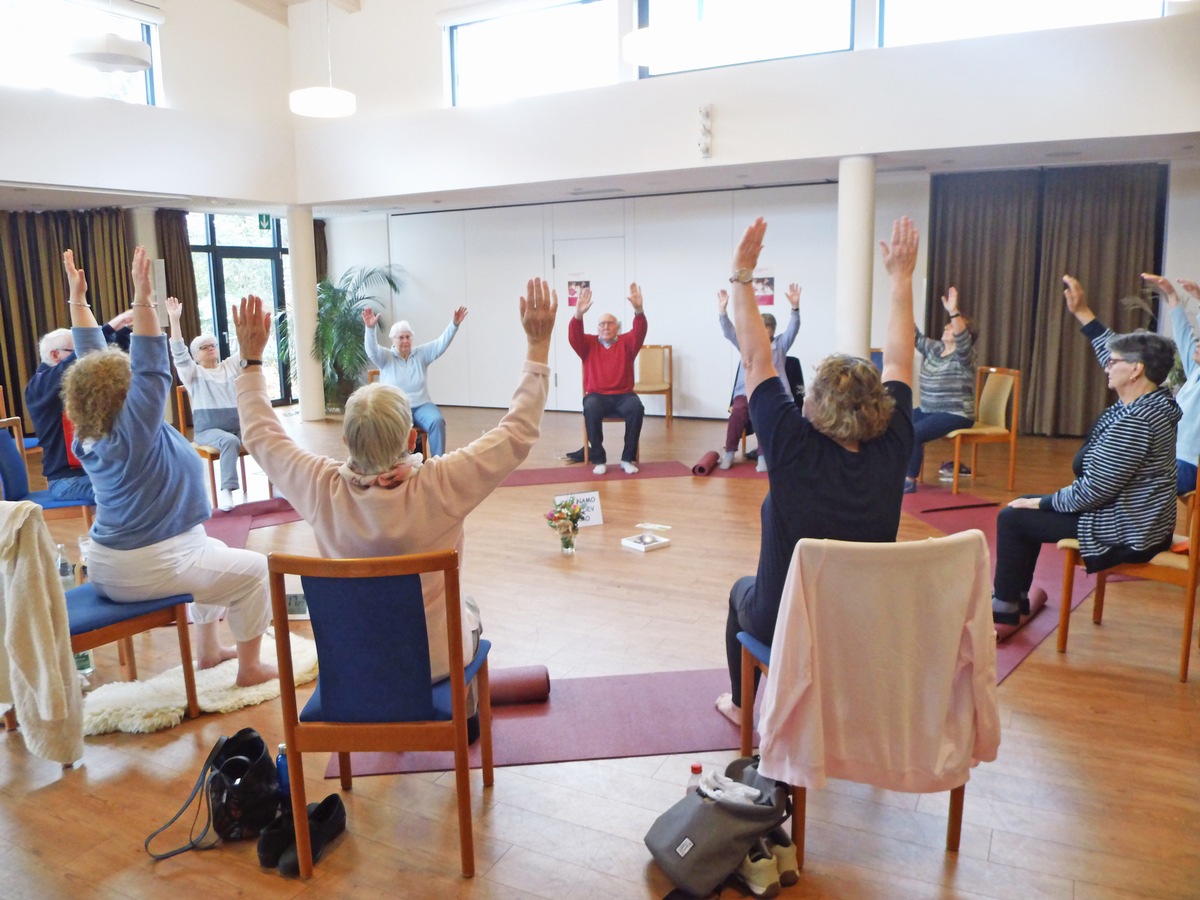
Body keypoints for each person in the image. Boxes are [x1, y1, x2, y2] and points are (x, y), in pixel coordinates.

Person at [234, 278, 556, 690]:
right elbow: (518, 433)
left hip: (354, 662)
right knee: (469, 608)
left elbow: (260, 436)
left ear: (345, 440)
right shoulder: (440, 484)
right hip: (435, 663)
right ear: (410, 438)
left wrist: (251, 362)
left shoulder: (320, 488)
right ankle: (464, 719)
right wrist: (538, 346)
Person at [716, 217, 917, 725]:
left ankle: (743, 709)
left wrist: (742, 274)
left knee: (741, 594)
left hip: (787, 625)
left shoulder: (791, 450)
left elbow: (755, 356)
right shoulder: (893, 444)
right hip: (863, 624)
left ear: (817, 407)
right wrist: (900, 280)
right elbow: (898, 359)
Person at [61, 247, 275, 687]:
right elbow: (152, 366)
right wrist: (143, 300)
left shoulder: (94, 431)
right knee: (253, 572)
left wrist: (78, 301)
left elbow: (90, 361)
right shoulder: (135, 431)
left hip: (112, 561)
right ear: (126, 394)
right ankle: (250, 669)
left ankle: (210, 651)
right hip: (149, 564)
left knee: (213, 552)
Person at [991, 275, 1180, 625]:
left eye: (1115, 362)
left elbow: (1094, 492)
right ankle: (1013, 596)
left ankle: (1003, 607)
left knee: (1014, 516)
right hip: (1140, 518)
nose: (1107, 365)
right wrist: (1082, 312)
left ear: (1136, 370)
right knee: (1026, 509)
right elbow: (1111, 349)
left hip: (1131, 529)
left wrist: (1040, 502)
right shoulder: (1153, 397)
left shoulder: (1136, 421)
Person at [24, 298, 132, 504]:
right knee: (127, 491)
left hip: (94, 469)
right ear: (55, 355)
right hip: (67, 480)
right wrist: (110, 326)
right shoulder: (39, 387)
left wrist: (124, 332)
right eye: (75, 352)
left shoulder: (74, 380)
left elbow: (105, 355)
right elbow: (85, 354)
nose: (83, 358)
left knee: (144, 480)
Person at [166, 297, 245, 511]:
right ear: (196, 355)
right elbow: (178, 353)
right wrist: (174, 320)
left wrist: (242, 328)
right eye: (204, 347)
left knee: (262, 437)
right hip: (208, 430)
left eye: (212, 345)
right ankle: (227, 490)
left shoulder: (229, 366)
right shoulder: (192, 373)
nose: (210, 348)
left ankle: (280, 484)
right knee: (229, 441)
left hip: (238, 427)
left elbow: (247, 351)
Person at [362, 306, 468, 458]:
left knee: (437, 422)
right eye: (401, 337)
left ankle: (438, 463)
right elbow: (371, 350)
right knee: (395, 427)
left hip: (422, 405)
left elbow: (440, 344)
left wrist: (454, 325)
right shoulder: (385, 357)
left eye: (408, 337)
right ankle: (398, 463)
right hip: (396, 407)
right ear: (393, 339)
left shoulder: (421, 354)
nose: (405, 340)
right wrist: (370, 328)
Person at [717, 283, 801, 472]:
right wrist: (722, 311)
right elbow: (729, 332)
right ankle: (729, 452)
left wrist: (795, 308)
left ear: (771, 329)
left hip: (772, 394)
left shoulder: (780, 345)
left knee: (766, 413)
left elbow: (793, 328)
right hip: (746, 392)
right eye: (758, 326)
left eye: (765, 327)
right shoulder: (746, 343)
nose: (760, 330)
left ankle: (763, 456)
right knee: (738, 410)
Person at [566, 283, 647, 476]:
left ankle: (627, 459)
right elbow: (573, 335)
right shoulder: (587, 343)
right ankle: (599, 459)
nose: (605, 327)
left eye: (610, 323)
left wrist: (638, 310)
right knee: (590, 408)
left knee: (637, 408)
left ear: (617, 327)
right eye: (601, 324)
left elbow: (640, 331)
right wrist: (578, 314)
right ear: (597, 328)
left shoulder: (627, 342)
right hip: (597, 396)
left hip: (624, 395)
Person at [904, 286, 978, 493]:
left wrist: (954, 311)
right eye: (947, 326)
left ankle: (910, 480)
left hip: (956, 413)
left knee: (914, 433)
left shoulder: (965, 356)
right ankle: (892, 471)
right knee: (896, 422)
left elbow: (962, 341)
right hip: (929, 410)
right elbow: (914, 336)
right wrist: (902, 297)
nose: (946, 327)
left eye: (951, 326)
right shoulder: (935, 349)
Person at [1141, 273, 1200, 494]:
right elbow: (1184, 335)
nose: (1198, 345)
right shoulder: (1196, 371)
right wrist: (1172, 295)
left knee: (1124, 483)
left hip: (1190, 466)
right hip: (1171, 457)